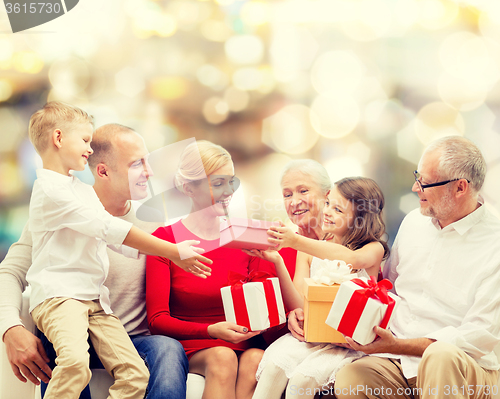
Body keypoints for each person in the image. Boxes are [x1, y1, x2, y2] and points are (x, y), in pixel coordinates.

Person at [0, 101, 210, 399]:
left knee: (166, 349)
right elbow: (11, 271)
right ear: (103, 171)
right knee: (70, 357)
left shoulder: (153, 221)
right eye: (137, 163)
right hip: (69, 328)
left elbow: (165, 264)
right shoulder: (59, 205)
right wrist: (11, 328)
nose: (149, 173)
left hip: (123, 334)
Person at [331, 136, 500, 399]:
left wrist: (401, 345)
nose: (414, 187)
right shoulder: (413, 223)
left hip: (466, 367)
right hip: (400, 360)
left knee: (440, 354)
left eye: (424, 181)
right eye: (416, 176)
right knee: (352, 378)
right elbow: (388, 289)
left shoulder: (495, 242)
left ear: (460, 188)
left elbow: (479, 336)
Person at [146, 140, 272, 399]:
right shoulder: (164, 240)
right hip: (195, 344)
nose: (229, 191)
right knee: (222, 357)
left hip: (245, 343)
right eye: (217, 184)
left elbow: (265, 300)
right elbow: (157, 320)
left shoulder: (248, 235)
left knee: (257, 360)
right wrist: (210, 331)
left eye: (231, 182)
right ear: (188, 187)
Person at [249, 177, 389, 399]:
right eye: (327, 204)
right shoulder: (308, 249)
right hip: (311, 338)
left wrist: (294, 240)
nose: (327, 212)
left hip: (345, 344)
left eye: (338, 209)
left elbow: (352, 259)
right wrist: (278, 261)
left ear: (360, 219)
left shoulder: (372, 250)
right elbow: (299, 303)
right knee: (274, 367)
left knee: (302, 380)